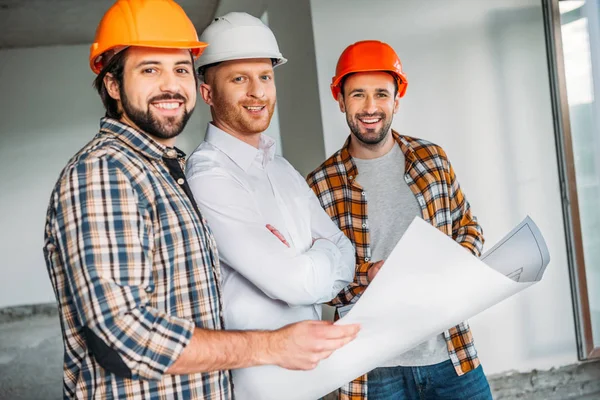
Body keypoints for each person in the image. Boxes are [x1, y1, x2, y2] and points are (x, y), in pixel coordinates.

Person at [43, 2, 359, 399]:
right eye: (149, 69)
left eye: (179, 69)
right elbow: (122, 334)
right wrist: (272, 344)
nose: (170, 85)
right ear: (112, 84)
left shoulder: (162, 171)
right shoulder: (104, 172)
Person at [306, 40, 493, 400]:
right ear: (341, 100)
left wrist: (453, 262)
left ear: (396, 99)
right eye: (358, 94)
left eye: (381, 94)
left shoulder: (432, 160)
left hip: (449, 354)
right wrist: (368, 275)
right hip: (372, 370)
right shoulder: (319, 185)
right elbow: (318, 280)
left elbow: (469, 228)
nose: (370, 107)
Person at [184, 12, 357, 397]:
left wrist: (314, 261)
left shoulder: (281, 169)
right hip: (259, 386)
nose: (258, 92)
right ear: (208, 93)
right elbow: (295, 282)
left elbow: (348, 253)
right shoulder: (208, 176)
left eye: (265, 76)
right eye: (239, 79)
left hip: (312, 379)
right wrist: (320, 256)